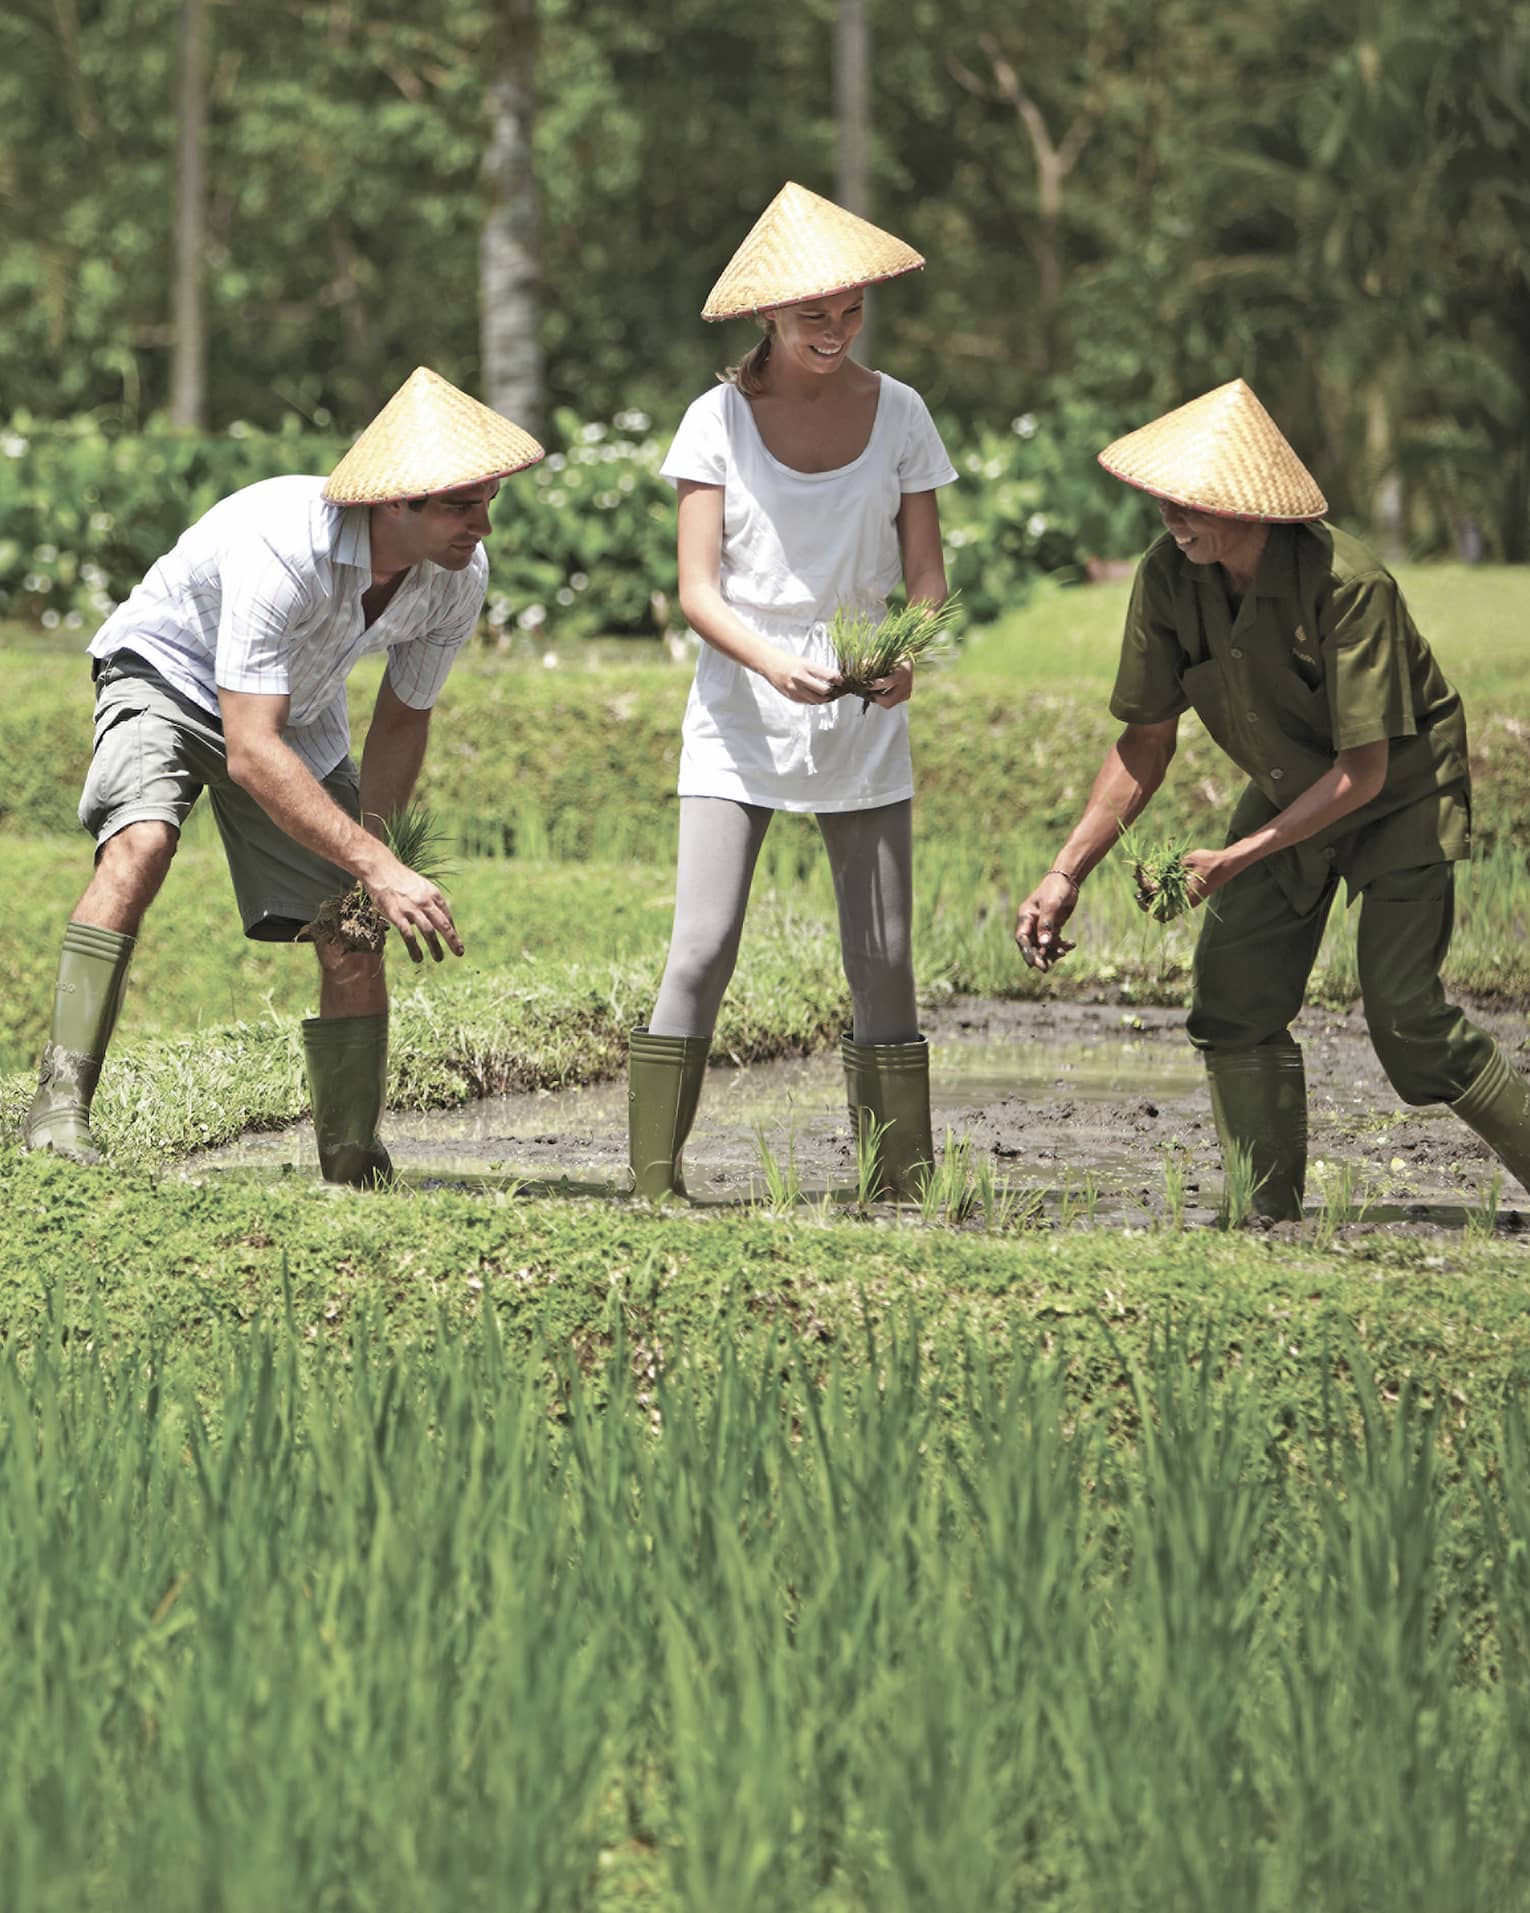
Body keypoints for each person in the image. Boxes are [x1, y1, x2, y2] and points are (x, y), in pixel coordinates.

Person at [1014, 377, 1530, 1219]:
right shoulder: (1168, 577)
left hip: (1400, 792)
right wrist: (1066, 871)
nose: (1174, 523)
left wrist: (1232, 858)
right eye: (1163, 504)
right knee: (1231, 1000)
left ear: (1253, 505)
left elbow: (1363, 772)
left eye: (1194, 506)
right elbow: (1146, 741)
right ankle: (1267, 1222)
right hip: (1293, 786)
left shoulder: (1349, 584)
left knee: (1405, 1022)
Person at [22, 366, 543, 1184]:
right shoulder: (285, 543)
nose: (482, 525)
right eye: (459, 505)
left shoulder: (455, 579)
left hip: (293, 708)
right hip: (165, 672)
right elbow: (250, 751)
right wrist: (378, 864)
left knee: (350, 926)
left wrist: (374, 864)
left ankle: (351, 1156)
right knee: (143, 844)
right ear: (394, 500)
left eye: (490, 502)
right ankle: (57, 1109)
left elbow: (403, 720)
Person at [629, 180, 956, 1200]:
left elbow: (929, 581)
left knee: (886, 958)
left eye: (851, 309)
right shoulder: (714, 419)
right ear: (768, 312)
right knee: (703, 944)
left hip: (860, 707)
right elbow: (697, 589)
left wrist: (905, 652)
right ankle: (650, 1184)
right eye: (816, 312)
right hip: (739, 709)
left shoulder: (899, 410)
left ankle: (897, 1185)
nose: (837, 328)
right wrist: (770, 662)